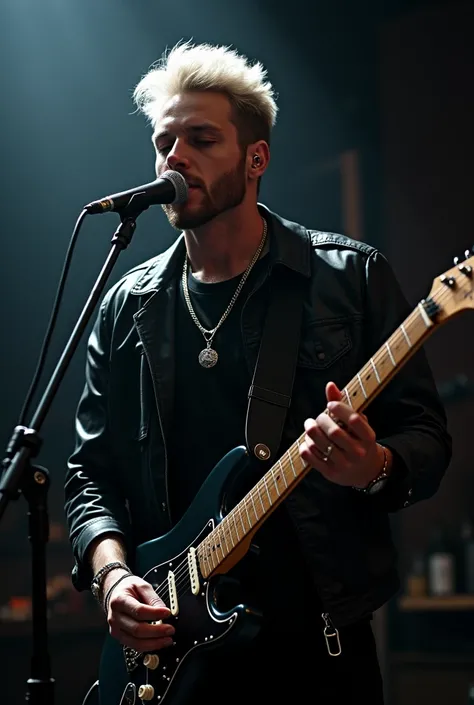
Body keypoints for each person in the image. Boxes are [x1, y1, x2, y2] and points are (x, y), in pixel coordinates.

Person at [64, 40, 452, 704]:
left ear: (256, 158)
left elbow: (427, 438)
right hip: (173, 658)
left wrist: (374, 466)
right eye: (164, 143)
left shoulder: (348, 279)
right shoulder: (126, 306)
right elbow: (88, 477)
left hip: (316, 652)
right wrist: (113, 576)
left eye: (201, 138)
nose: (174, 157)